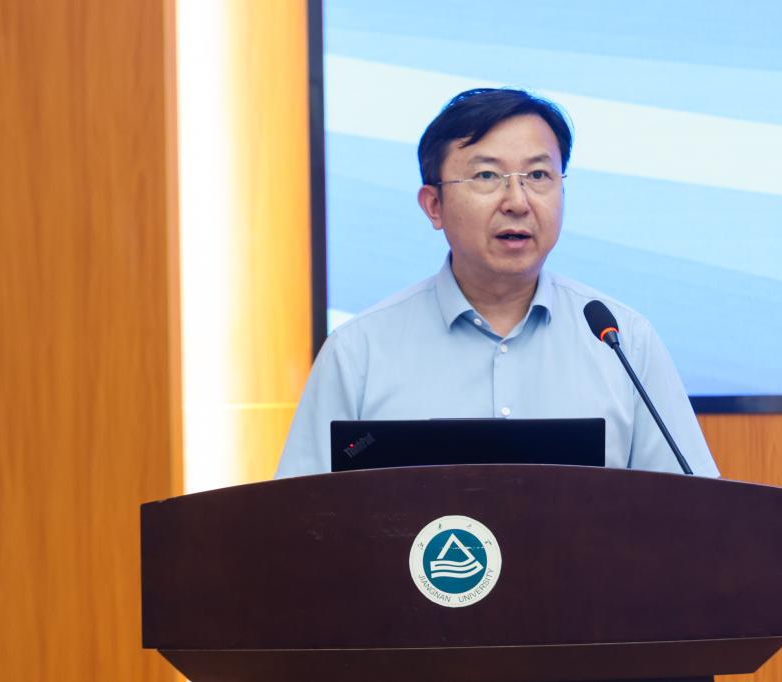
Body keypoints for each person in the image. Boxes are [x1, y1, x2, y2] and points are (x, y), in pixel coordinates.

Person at [275, 88, 718, 478]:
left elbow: (697, 513)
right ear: (434, 205)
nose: (518, 202)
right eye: (487, 176)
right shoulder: (359, 352)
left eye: (538, 176)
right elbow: (297, 520)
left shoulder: (623, 342)